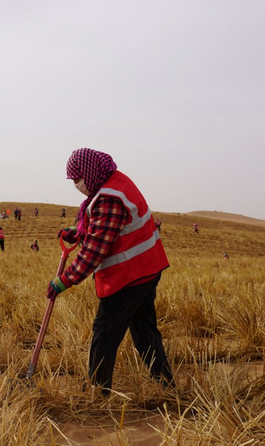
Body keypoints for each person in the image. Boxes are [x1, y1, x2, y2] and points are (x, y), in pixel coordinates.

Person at [47, 148, 173, 395]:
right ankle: (165, 384)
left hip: (129, 276)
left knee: (105, 333)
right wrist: (78, 232)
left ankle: (98, 391)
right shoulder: (114, 182)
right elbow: (106, 228)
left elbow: (94, 251)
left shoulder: (109, 198)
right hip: (147, 269)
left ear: (90, 171)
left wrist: (63, 281)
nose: (76, 184)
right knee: (145, 331)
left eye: (77, 178)